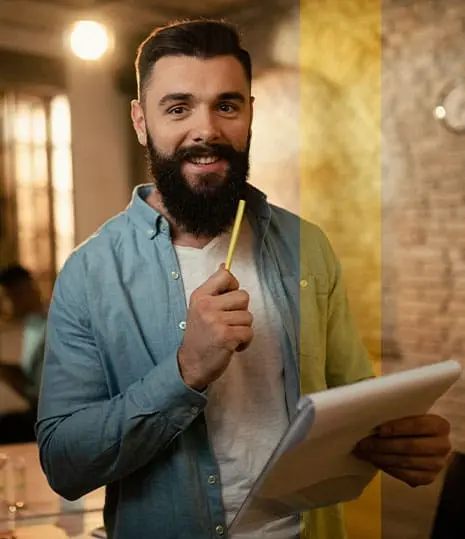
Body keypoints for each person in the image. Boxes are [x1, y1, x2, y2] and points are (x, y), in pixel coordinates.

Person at [36, 19, 451, 539]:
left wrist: (397, 441)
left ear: (250, 114)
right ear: (141, 121)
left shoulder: (308, 245)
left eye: (226, 106)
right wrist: (186, 370)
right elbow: (64, 464)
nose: (206, 129)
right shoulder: (89, 272)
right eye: (178, 107)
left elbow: (351, 404)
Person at [0, 264, 46, 443]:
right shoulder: (28, 326)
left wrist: (8, 374)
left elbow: (38, 392)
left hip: (37, 416)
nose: (6, 304)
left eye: (8, 297)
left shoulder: (48, 327)